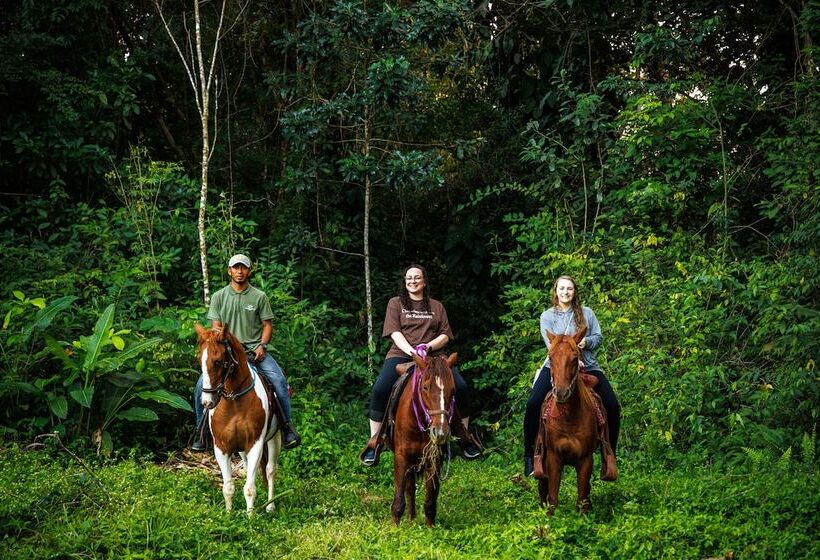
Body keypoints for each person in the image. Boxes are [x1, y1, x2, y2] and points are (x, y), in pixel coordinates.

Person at [360, 264, 482, 466]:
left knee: (460, 387)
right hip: (401, 354)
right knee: (381, 388)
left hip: (435, 358)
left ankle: (464, 437)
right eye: (409, 278)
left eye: (416, 278)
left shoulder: (436, 306)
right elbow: (394, 333)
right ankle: (375, 440)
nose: (412, 281)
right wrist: (413, 351)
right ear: (405, 282)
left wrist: (427, 346)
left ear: (424, 281)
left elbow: (445, 335)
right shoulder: (395, 303)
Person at [191, 254, 301, 451]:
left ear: (249, 271)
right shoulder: (219, 297)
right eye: (235, 268)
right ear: (229, 271)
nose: (239, 271)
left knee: (279, 381)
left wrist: (262, 345)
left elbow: (267, 325)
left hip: (254, 352)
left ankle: (287, 429)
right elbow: (216, 328)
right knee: (201, 386)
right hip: (227, 353)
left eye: (243, 268)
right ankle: (201, 432)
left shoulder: (259, 296)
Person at [522, 275, 620, 477]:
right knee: (532, 404)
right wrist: (569, 359)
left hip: (588, 366)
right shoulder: (547, 317)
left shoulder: (587, 314)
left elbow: (598, 337)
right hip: (556, 367)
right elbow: (552, 346)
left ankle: (609, 454)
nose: (565, 292)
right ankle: (530, 457)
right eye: (562, 289)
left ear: (575, 292)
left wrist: (586, 344)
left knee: (611, 405)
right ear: (555, 291)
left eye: (569, 289)